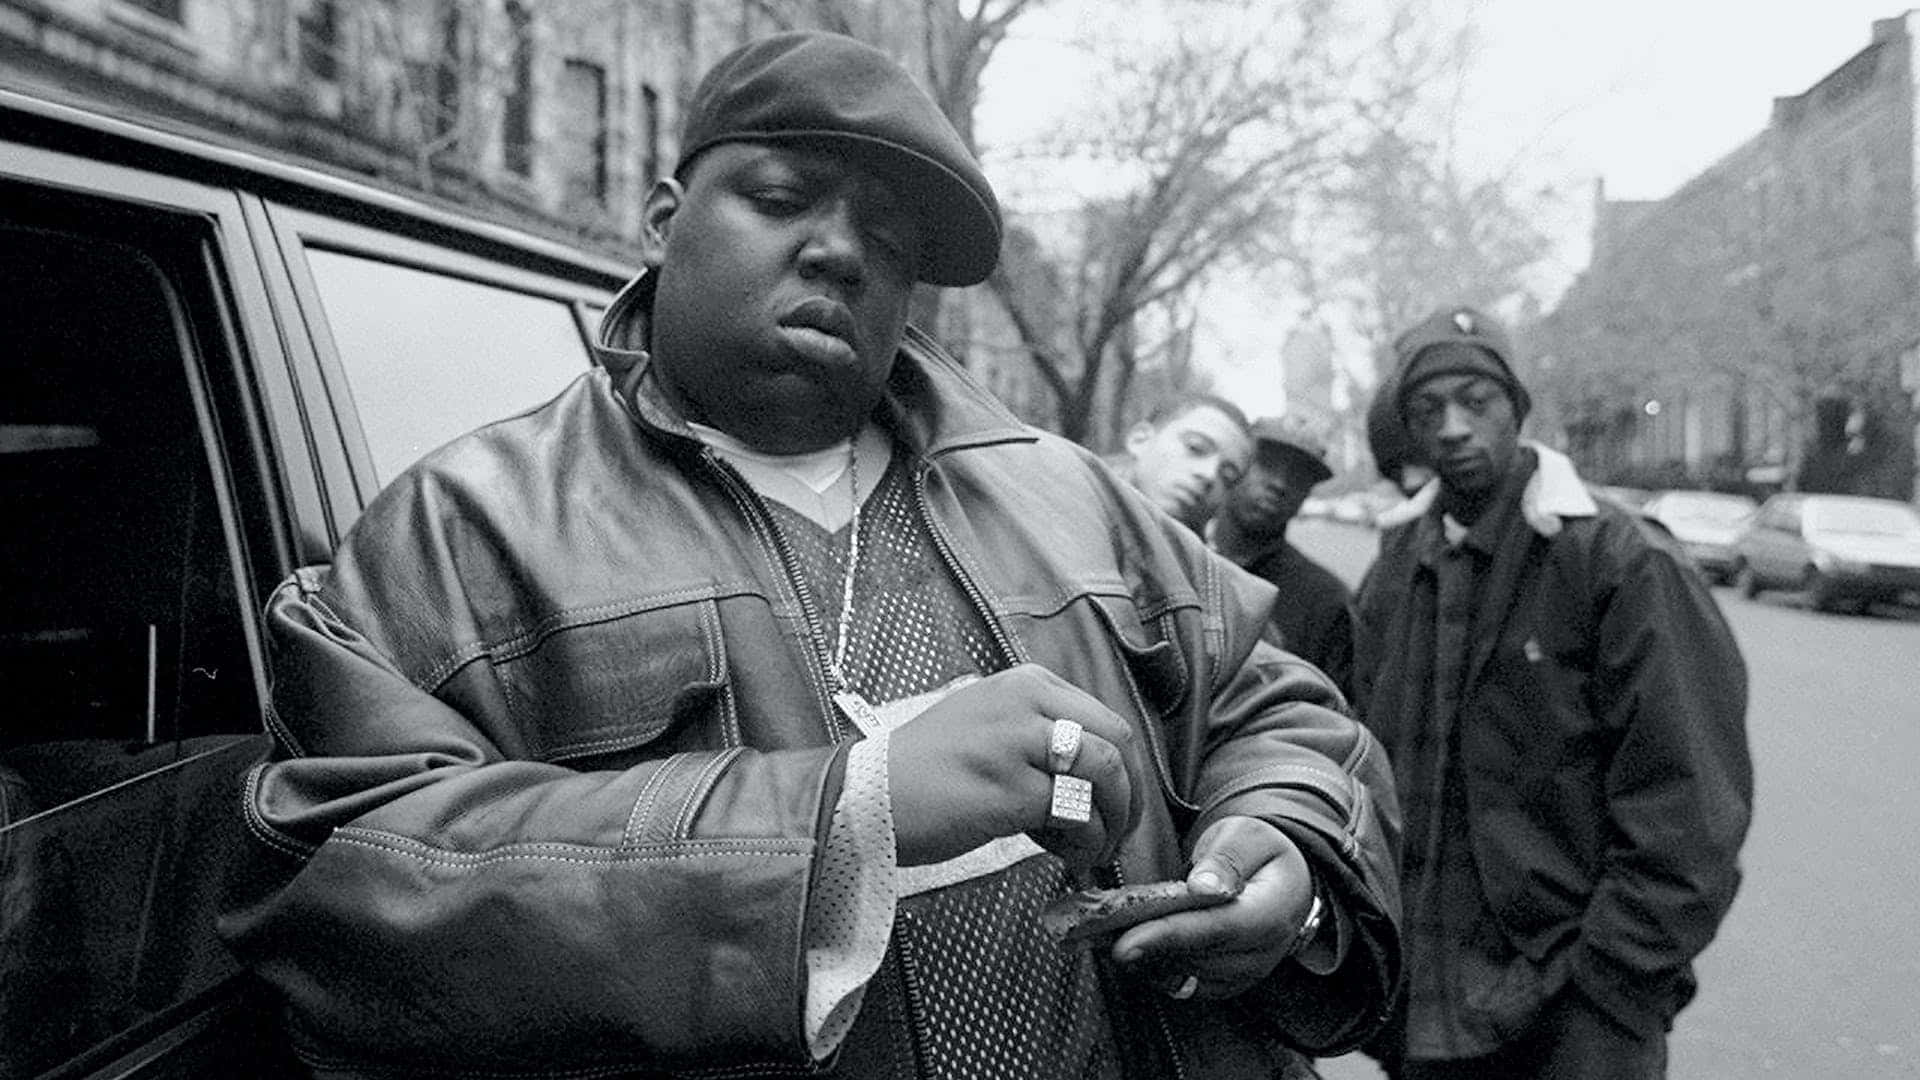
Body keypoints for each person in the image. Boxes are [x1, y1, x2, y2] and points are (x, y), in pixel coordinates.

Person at [219, 31, 1401, 1079]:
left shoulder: (1071, 492)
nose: (841, 253)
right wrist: (843, 819)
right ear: (665, 219)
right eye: (782, 197)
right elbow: (337, 895)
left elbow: (1281, 707)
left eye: (889, 240)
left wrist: (1285, 845)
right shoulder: (459, 532)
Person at [1351, 305, 1752, 1080]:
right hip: (1427, 1008)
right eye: (1427, 410)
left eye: (1477, 401)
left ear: (1517, 408)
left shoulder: (1619, 561)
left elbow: (1690, 804)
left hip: (1576, 1015)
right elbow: (1367, 769)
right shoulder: (1398, 571)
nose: (1453, 428)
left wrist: (1608, 984)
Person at [1212, 415, 1354, 702]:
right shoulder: (1179, 558)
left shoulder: (1324, 600)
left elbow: (1332, 717)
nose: (1279, 483)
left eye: (1300, 476)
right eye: (1266, 464)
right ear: (1234, 465)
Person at [1110, 392, 1254, 534]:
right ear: (1140, 440)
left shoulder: (1197, 555)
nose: (1209, 475)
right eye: (1195, 448)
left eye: (1227, 477)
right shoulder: (1089, 494)